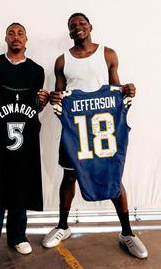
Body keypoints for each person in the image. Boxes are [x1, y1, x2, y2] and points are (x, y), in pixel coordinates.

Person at [42, 13, 148, 259]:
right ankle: (63, 226)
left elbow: (116, 92)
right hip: (76, 130)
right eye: (72, 26)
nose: (77, 27)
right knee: (69, 177)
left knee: (113, 175)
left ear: (90, 27)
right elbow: (59, 98)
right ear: (69, 32)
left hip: (102, 129)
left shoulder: (108, 54)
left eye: (81, 23)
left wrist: (127, 91)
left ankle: (127, 233)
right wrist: (54, 97)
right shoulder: (62, 61)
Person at [0, 23, 49, 269]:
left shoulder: (37, 70)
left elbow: (35, 108)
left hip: (24, 142)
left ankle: (18, 236)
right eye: (11, 33)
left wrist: (42, 102)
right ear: (5, 38)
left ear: (27, 39)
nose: (15, 37)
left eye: (20, 33)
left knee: (20, 187)